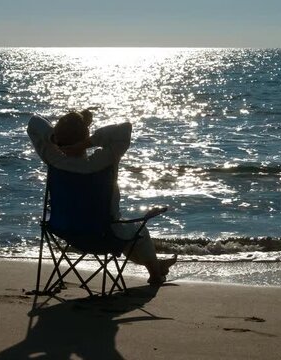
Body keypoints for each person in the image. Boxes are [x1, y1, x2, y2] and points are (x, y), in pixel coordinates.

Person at [27, 109, 177, 284]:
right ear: (85, 136)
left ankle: (158, 266)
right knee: (137, 230)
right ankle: (156, 274)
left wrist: (56, 140)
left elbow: (34, 123)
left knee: (121, 231)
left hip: (64, 231)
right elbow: (124, 129)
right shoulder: (103, 160)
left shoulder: (52, 158)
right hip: (103, 235)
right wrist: (87, 143)